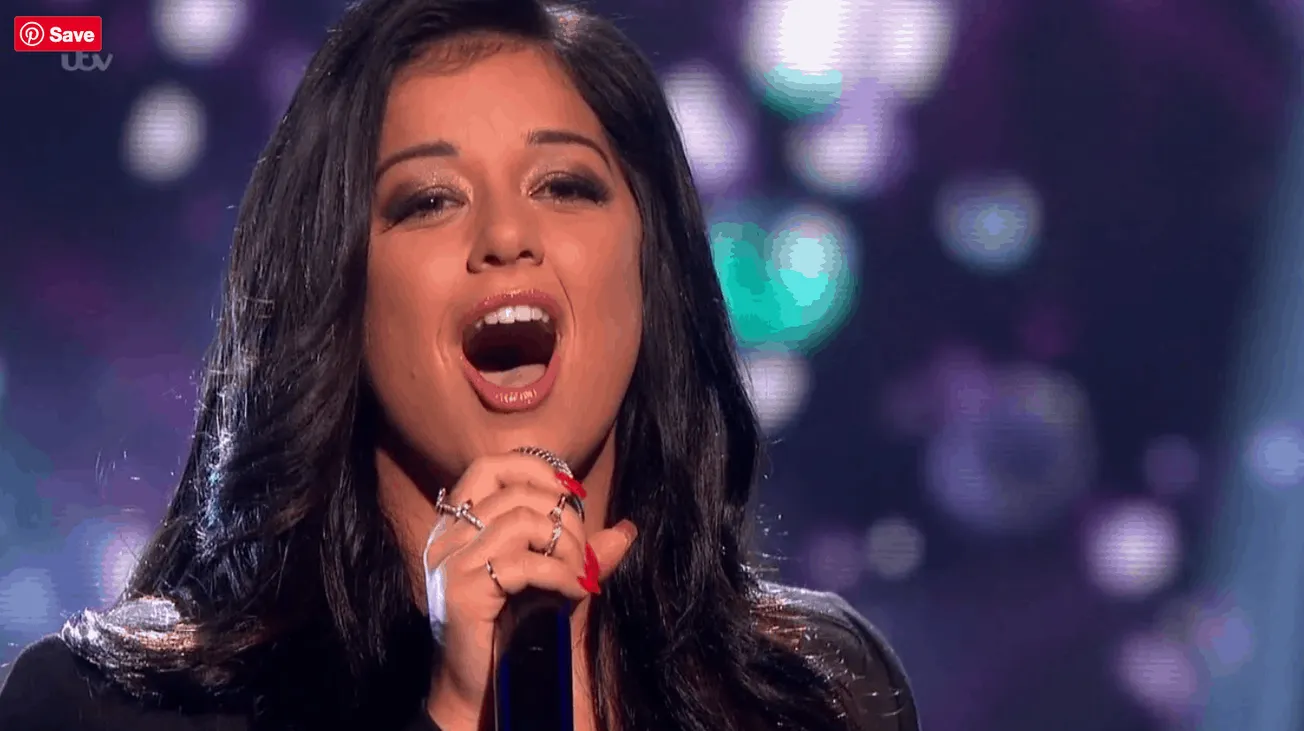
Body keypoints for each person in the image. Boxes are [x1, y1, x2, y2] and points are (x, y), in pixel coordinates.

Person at [0, 0, 921, 729]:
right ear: (339, 289)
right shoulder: (106, 708)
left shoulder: (819, 692)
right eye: (430, 199)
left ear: (652, 267)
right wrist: (448, 709)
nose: (508, 236)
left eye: (564, 185)